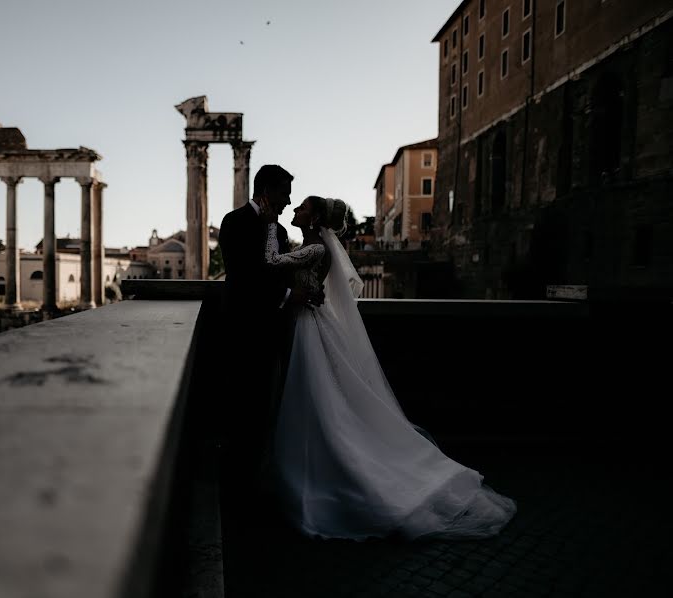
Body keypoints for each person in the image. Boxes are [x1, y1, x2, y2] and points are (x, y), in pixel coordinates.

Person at [257, 195, 517, 540]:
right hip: (305, 321)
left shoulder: (316, 249)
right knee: (313, 398)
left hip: (308, 326)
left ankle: (322, 473)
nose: (294, 210)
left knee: (315, 399)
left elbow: (271, 261)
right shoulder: (313, 246)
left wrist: (269, 225)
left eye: (301, 207)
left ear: (315, 216)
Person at [217, 165, 322, 492]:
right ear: (265, 191)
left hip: (271, 337)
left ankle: (254, 481)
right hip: (242, 334)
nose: (288, 201)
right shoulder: (233, 222)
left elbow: (277, 272)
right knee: (241, 412)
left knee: (264, 414)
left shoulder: (276, 230)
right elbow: (244, 278)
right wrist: (291, 295)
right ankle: (237, 486)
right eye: (284, 193)